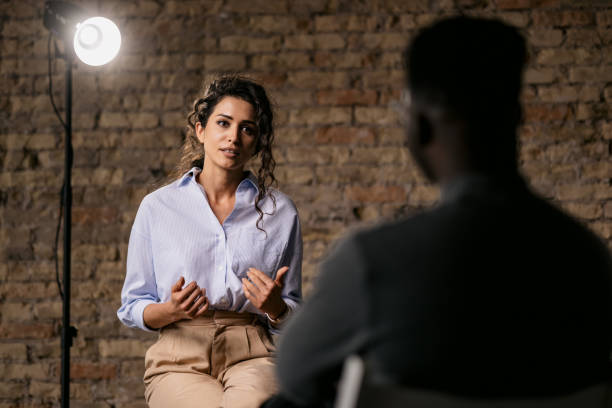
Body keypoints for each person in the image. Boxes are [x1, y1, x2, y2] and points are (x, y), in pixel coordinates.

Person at [268, 16, 612, 407]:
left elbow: (294, 373)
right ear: (516, 118)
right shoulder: (588, 258)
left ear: (420, 124)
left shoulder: (374, 262)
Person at [117, 75, 302, 408]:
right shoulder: (158, 207)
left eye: (247, 129)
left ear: (257, 142)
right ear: (201, 130)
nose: (233, 137)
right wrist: (169, 310)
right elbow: (133, 305)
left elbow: (293, 311)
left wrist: (276, 308)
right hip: (179, 354)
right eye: (223, 123)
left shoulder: (280, 212)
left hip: (253, 353)